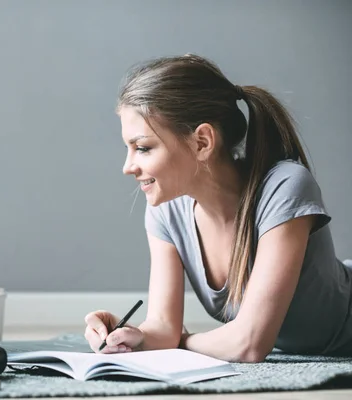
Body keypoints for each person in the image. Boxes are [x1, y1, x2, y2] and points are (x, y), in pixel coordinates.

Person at [84, 54, 352, 363]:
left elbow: (248, 345)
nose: (127, 167)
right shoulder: (165, 211)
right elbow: (162, 327)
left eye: (143, 148)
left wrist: (179, 342)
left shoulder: (285, 186)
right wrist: (132, 338)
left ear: (202, 142)